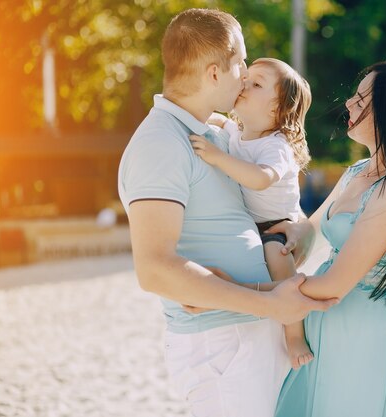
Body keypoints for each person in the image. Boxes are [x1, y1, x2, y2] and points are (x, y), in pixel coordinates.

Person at [117, 9, 335, 417]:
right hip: (220, 346)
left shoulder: (212, 134)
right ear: (215, 73)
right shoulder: (160, 145)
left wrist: (301, 230)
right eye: (241, 65)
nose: (245, 75)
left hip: (251, 327)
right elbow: (155, 269)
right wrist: (271, 305)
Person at [272, 61, 386, 416]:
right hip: (341, 336)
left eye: (361, 99)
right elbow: (311, 230)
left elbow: (335, 284)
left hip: (384, 341)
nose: (350, 105)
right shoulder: (359, 172)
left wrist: (247, 293)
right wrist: (289, 234)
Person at [188, 57, 314, 370]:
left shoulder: (276, 145)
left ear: (278, 109)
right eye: (246, 79)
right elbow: (211, 117)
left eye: (256, 84)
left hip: (277, 225)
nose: (244, 84)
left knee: (277, 258)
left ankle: (294, 332)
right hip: (247, 223)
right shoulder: (235, 131)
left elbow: (260, 178)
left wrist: (218, 158)